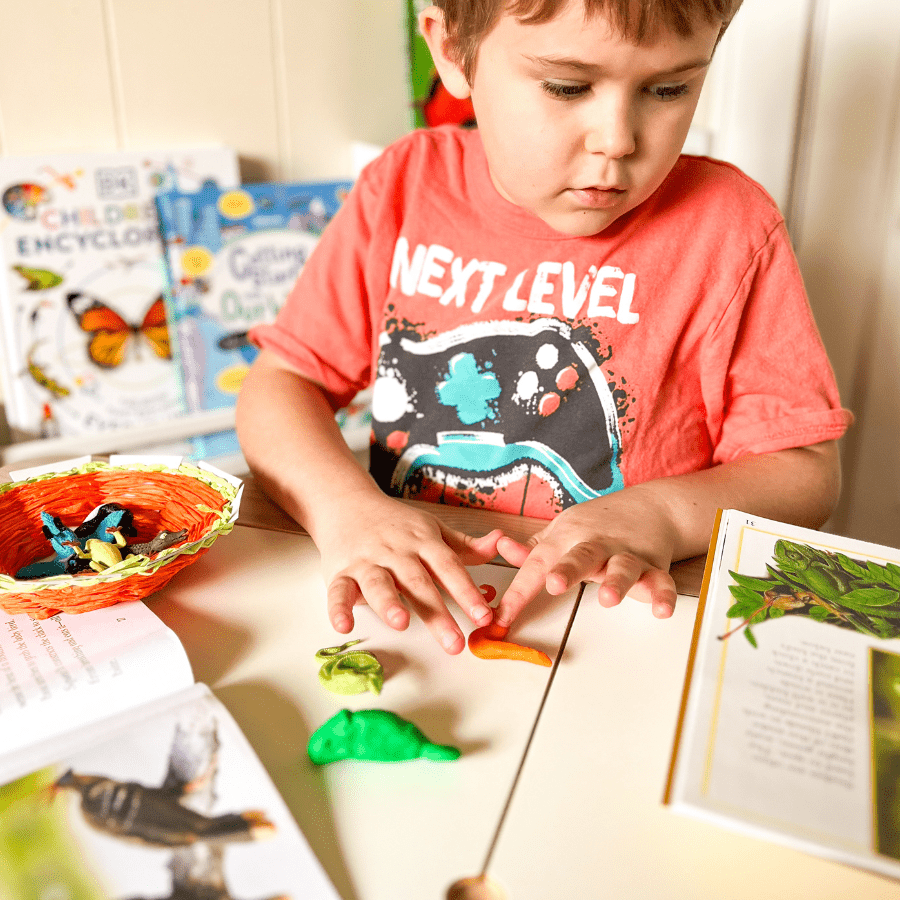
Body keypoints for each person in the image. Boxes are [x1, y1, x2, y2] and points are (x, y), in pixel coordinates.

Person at [236, 0, 852, 655]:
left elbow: (804, 475)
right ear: (451, 51)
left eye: (669, 88)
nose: (617, 139)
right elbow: (284, 382)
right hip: (416, 610)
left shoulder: (730, 230)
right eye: (567, 86)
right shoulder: (405, 185)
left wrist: (662, 516)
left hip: (624, 625)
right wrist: (344, 511)